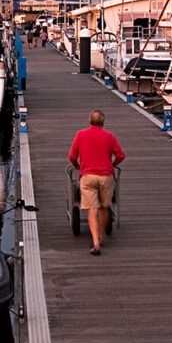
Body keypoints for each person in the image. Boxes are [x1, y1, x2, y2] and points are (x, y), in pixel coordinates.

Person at [68, 108, 125, 255]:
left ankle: (95, 242)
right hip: (106, 176)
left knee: (92, 209)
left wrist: (78, 167)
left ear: (90, 121)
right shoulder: (109, 136)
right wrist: (112, 164)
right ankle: (101, 234)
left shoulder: (81, 135)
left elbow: (72, 157)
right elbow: (120, 155)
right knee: (105, 206)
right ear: (103, 122)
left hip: (87, 177)